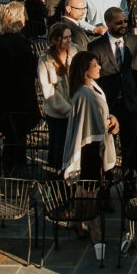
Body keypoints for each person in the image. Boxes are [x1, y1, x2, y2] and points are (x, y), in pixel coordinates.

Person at [59, 48, 117, 263]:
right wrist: (106, 125)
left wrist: (111, 119)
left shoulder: (93, 88)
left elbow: (100, 113)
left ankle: (77, 222)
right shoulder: (84, 94)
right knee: (89, 188)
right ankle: (93, 229)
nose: (99, 67)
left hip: (96, 143)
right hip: (89, 147)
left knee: (88, 187)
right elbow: (88, 123)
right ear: (85, 70)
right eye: (95, 65)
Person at [0, 3, 40, 171]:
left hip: (3, 95)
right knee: (19, 137)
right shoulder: (21, 44)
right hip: (21, 96)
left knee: (10, 137)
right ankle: (17, 169)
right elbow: (32, 69)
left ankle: (9, 166)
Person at [86, 10, 137, 140]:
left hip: (130, 102)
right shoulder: (96, 46)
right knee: (107, 147)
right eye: (119, 23)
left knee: (131, 149)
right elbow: (94, 78)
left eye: (125, 21)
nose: (124, 25)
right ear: (108, 23)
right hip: (109, 104)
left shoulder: (133, 40)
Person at [38, 23, 76, 169]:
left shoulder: (75, 51)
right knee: (58, 151)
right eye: (65, 38)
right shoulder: (45, 60)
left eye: (70, 37)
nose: (69, 41)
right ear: (55, 40)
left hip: (75, 111)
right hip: (57, 115)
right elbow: (49, 92)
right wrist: (70, 110)